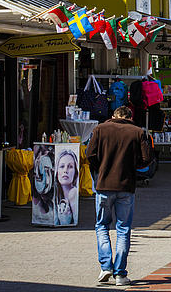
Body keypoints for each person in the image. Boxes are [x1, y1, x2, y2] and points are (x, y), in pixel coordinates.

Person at [87, 106, 154, 286]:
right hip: (126, 185)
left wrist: (100, 168)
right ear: (130, 117)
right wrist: (133, 165)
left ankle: (106, 266)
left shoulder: (100, 129)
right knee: (123, 228)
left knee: (102, 225)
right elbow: (147, 158)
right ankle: (120, 274)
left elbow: (90, 154)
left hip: (104, 184)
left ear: (113, 116)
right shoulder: (137, 132)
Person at [55, 149, 80, 226]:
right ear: (56, 170)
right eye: (62, 166)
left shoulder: (73, 193)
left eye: (70, 167)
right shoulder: (56, 195)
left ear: (75, 171)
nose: (65, 171)